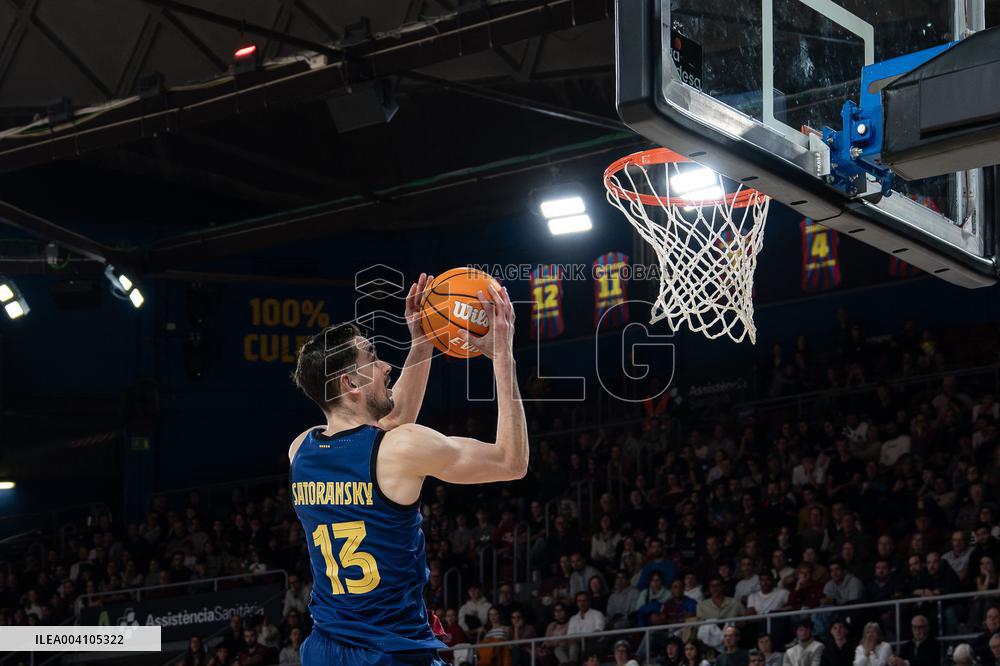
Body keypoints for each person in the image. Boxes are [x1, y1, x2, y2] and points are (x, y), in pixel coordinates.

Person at [288, 283, 527, 665]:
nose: (386, 366)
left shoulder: (301, 449)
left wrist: (424, 340)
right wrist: (503, 359)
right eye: (373, 359)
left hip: (325, 649)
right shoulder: (400, 448)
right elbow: (510, 462)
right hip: (391, 651)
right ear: (350, 384)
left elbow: (389, 421)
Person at [567, 591, 606, 663]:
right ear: (576, 603)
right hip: (577, 643)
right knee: (561, 649)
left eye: (584, 600)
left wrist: (585, 638)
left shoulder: (597, 614)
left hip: (592, 642)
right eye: (579, 601)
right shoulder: (573, 618)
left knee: (575, 647)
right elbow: (570, 636)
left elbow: (599, 630)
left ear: (589, 602)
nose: (582, 603)